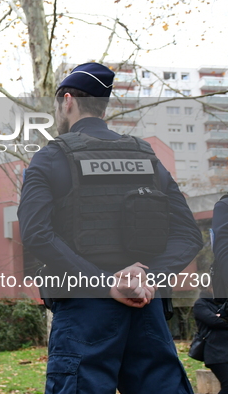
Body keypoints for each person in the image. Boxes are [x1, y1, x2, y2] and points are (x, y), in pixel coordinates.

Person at [17, 62, 203, 393]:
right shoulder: (147, 158)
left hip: (83, 311)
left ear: (68, 101)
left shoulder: (50, 158)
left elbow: (35, 234)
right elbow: (189, 234)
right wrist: (147, 279)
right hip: (147, 309)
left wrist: (105, 284)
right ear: (103, 107)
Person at [193, 286, 228, 394]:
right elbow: (213, 321)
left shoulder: (224, 303)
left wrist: (221, 317)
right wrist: (222, 319)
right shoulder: (200, 304)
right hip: (216, 353)